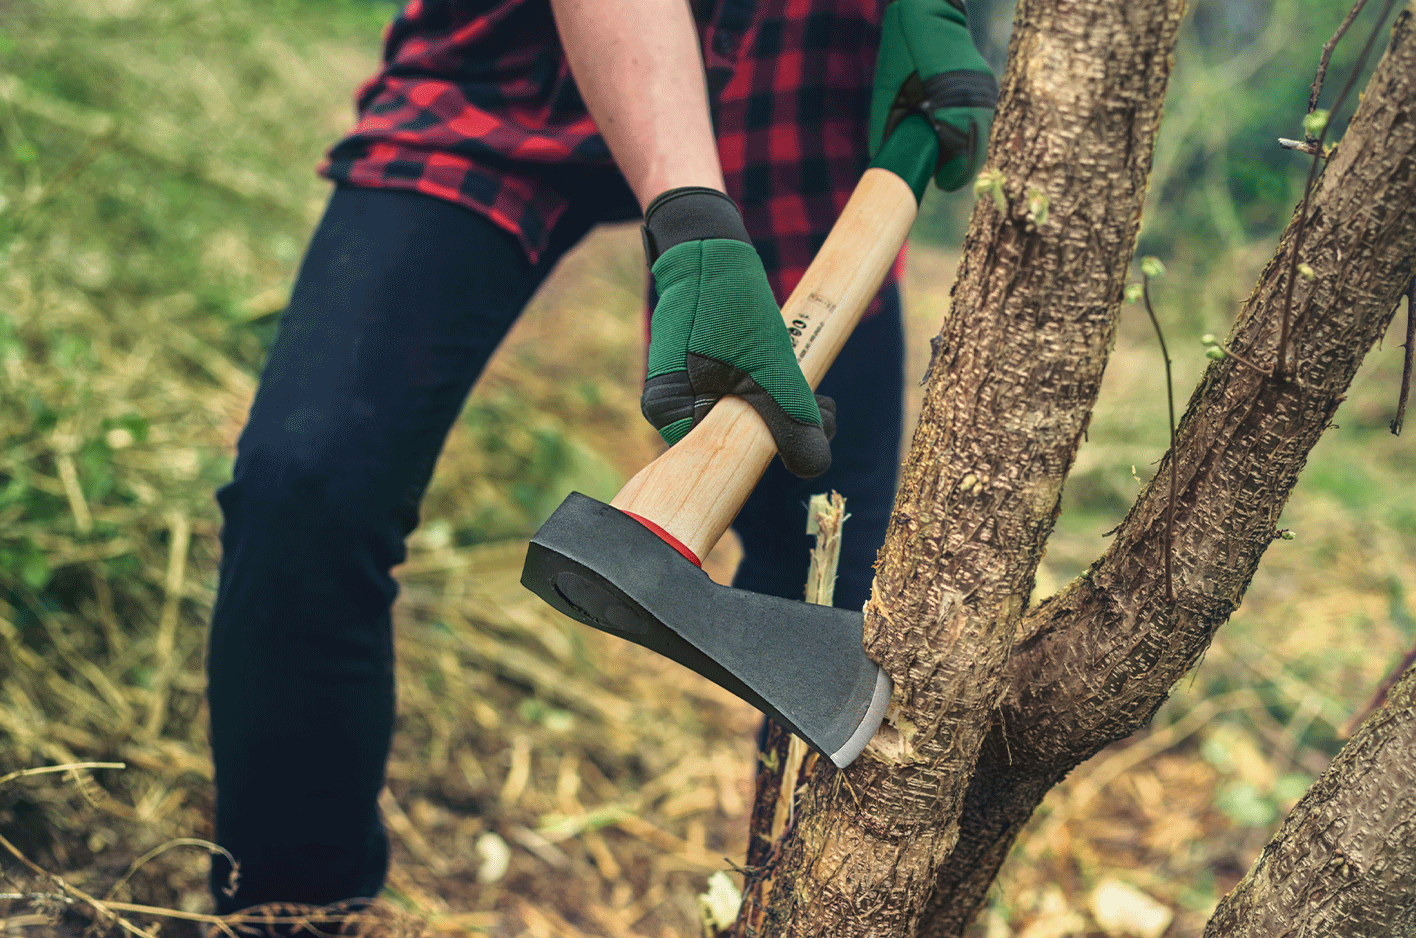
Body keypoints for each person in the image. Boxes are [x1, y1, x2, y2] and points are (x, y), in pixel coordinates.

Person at [204, 0, 994, 925]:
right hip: (518, 46)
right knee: (306, 487)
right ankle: (292, 911)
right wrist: (690, 211)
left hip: (797, 59)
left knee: (833, 577)